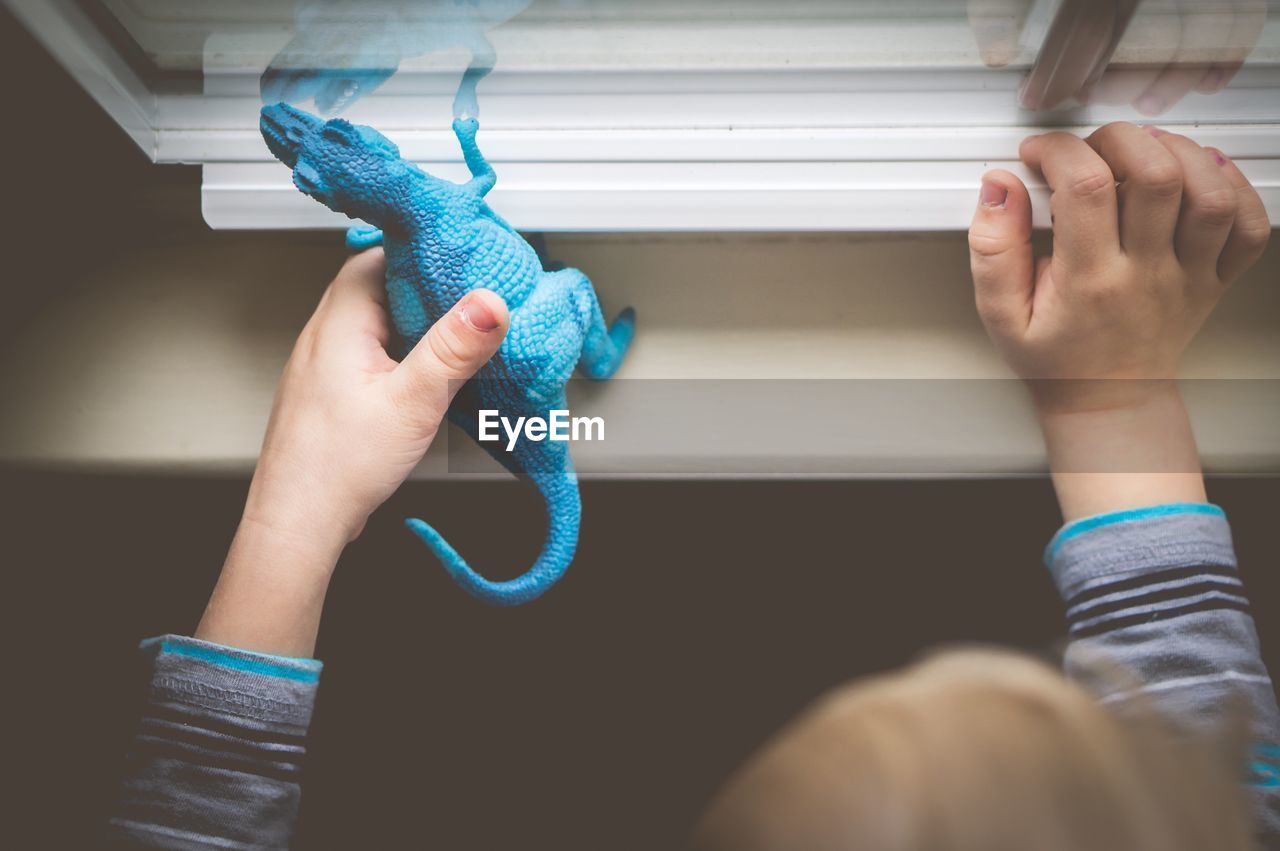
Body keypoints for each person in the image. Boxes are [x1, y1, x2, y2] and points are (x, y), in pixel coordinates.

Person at [104, 123, 1277, 849]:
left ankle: (588, 350)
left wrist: (296, 508)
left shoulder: (437, 223)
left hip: (514, 357)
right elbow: (1208, 761)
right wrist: (1106, 397)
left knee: (533, 417)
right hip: (510, 349)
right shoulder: (1200, 819)